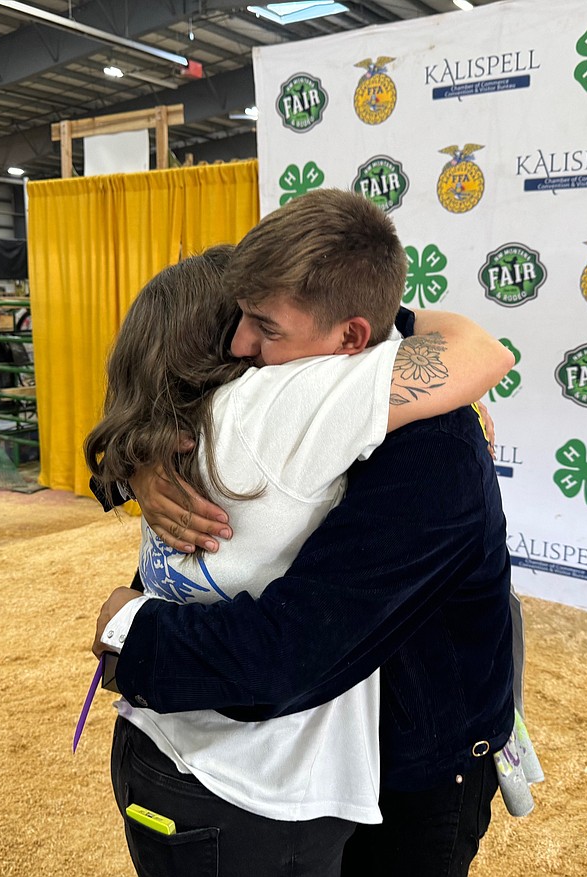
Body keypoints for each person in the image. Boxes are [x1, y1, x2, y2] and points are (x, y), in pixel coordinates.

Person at [92, 188, 520, 877]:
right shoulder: (292, 397)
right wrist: (133, 460)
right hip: (323, 757)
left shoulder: (429, 442)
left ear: (351, 338)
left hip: (414, 760)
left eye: (263, 325)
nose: (241, 347)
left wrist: (132, 633)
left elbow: (292, 651)